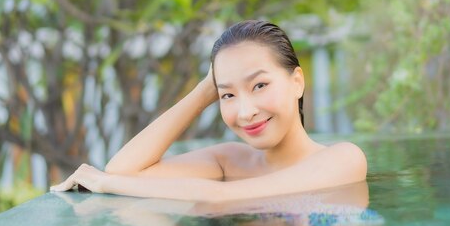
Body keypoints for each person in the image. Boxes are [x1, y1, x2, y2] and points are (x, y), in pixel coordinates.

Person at [50, 20, 367, 202]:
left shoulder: (344, 158)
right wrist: (205, 91)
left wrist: (105, 183)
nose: (245, 112)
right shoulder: (230, 160)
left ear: (297, 82)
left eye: (259, 86)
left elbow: (220, 199)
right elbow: (122, 169)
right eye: (228, 94)